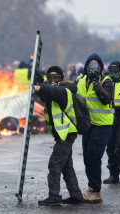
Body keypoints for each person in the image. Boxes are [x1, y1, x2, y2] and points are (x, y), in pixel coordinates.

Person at [34, 66, 83, 206]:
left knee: (54, 165)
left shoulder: (64, 90)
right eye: (50, 78)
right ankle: (76, 195)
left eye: (56, 77)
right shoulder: (53, 90)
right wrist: (38, 79)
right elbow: (46, 95)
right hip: (63, 134)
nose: (53, 80)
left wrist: (41, 88)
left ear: (61, 78)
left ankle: (54, 196)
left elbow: (51, 91)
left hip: (66, 133)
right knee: (67, 166)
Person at [76, 53, 114, 203]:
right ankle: (92, 188)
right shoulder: (80, 80)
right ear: (86, 66)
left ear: (100, 67)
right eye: (90, 64)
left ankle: (96, 191)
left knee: (93, 156)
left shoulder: (106, 80)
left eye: (96, 64)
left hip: (102, 124)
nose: (93, 67)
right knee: (86, 157)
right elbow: (68, 92)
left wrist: (96, 83)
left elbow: (106, 99)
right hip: (87, 125)